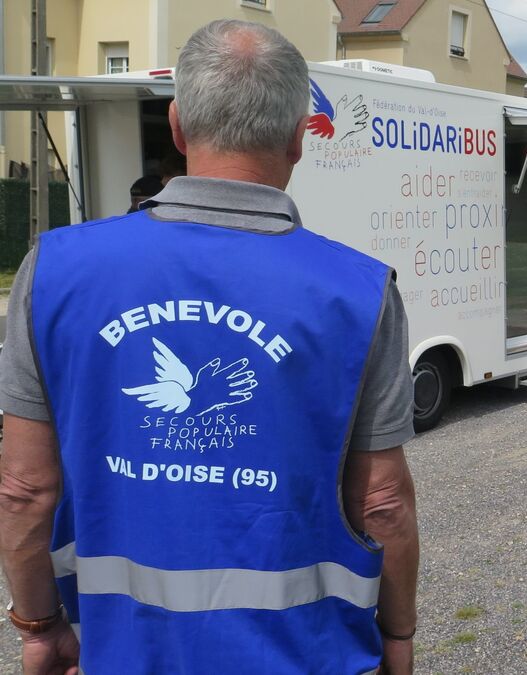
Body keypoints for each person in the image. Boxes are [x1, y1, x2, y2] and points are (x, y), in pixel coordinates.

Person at [0, 19, 419, 674]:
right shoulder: (359, 293)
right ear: (297, 139)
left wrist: (38, 624)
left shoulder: (53, 270)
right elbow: (383, 503)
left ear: (175, 125)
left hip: (122, 654)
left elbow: (24, 489)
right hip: (309, 655)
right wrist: (398, 636)